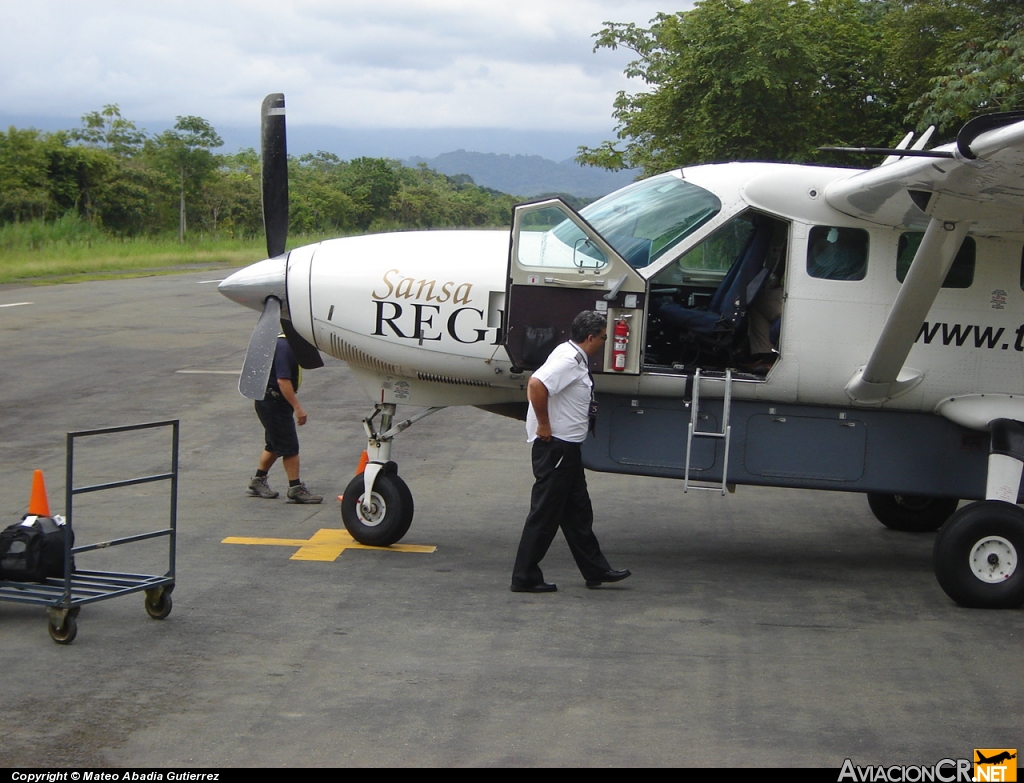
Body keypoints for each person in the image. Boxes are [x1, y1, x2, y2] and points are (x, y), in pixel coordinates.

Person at [510, 310, 631, 593]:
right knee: (545, 515)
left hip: (568, 450)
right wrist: (543, 425)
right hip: (557, 449)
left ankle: (596, 569)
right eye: (602, 337)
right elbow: (536, 384)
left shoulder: (572, 353)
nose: (604, 342)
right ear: (590, 338)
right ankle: (524, 576)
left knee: (578, 513)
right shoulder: (567, 360)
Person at [247, 334, 323, 504]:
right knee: (289, 446)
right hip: (275, 402)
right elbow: (283, 381)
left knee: (274, 444)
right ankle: (295, 488)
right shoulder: (286, 347)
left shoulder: (281, 343)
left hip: (269, 400)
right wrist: (298, 407)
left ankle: (257, 481)